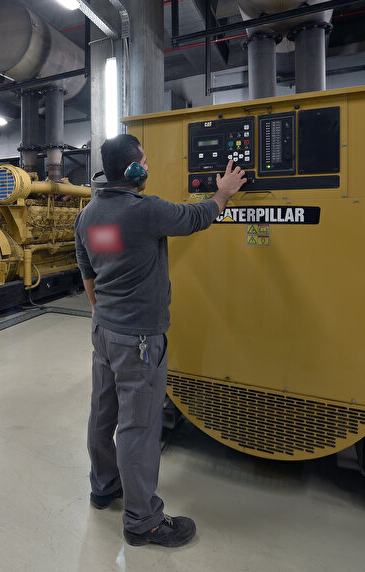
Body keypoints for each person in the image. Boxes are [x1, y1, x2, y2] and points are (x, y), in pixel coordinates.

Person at [74, 133, 246, 547]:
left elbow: (88, 270)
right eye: (145, 162)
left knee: (103, 412)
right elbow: (197, 217)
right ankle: (143, 521)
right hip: (139, 341)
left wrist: (100, 310)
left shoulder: (90, 214)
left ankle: (104, 487)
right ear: (133, 170)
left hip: (105, 332)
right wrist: (223, 193)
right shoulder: (145, 211)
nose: (148, 168)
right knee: (139, 426)